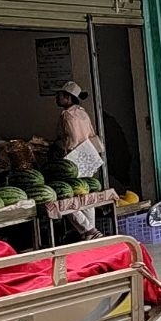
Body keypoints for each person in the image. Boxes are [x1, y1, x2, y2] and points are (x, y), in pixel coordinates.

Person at [55, 81, 105, 239]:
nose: (58, 98)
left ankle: (87, 229)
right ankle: (91, 230)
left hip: (75, 157)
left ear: (68, 98)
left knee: (67, 196)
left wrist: (64, 153)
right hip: (89, 154)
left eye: (61, 96)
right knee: (85, 192)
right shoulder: (82, 112)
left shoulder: (67, 115)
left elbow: (72, 138)